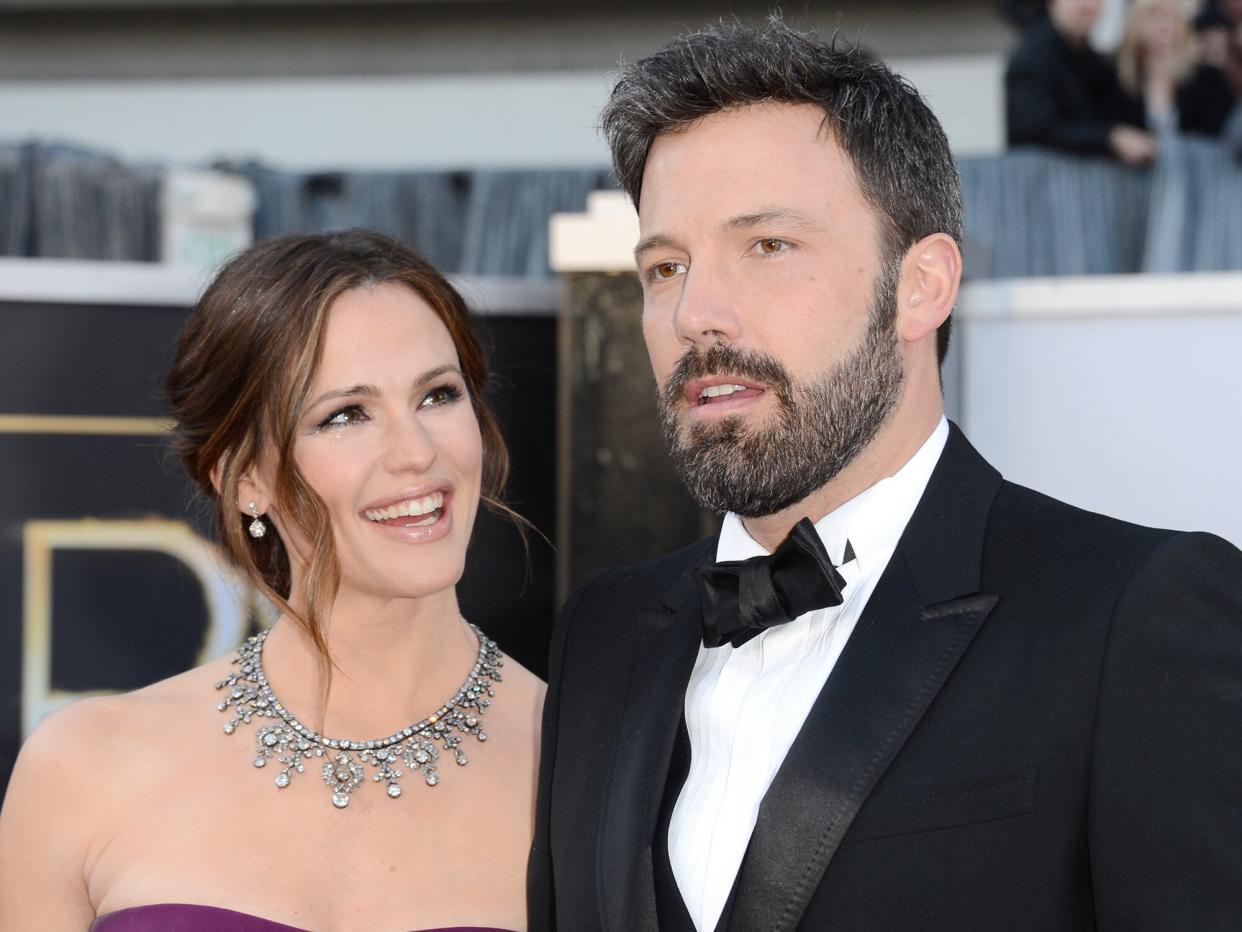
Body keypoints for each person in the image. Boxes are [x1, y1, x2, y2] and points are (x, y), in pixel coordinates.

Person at [529, 17, 1242, 932]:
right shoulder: (601, 635)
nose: (695, 313)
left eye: (768, 246)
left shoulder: (1134, 614)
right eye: (665, 266)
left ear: (922, 286)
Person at [0, 231, 543, 931]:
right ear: (245, 479)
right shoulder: (82, 770)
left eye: (438, 395)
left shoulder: (583, 774)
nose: (417, 453)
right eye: (346, 414)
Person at [1006, 0, 1159, 164]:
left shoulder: (1094, 63)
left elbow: (1126, 117)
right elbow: (1039, 131)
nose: (1086, 4)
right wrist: (1110, 139)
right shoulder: (1031, 60)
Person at [1116, 0, 1237, 137]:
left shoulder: (1207, 78)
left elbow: (1216, 136)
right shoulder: (1117, 77)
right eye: (1154, 15)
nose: (1164, 24)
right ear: (1136, 23)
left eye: (1172, 15)